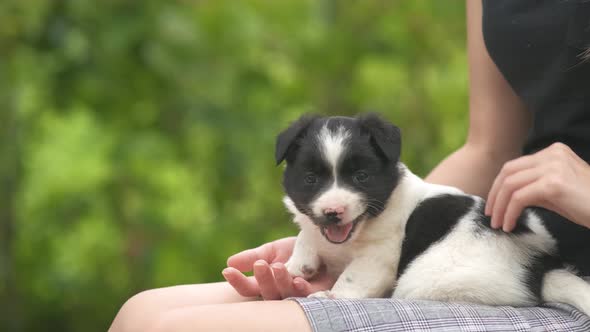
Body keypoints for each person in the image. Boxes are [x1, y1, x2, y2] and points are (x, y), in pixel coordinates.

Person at [109, 1, 590, 331]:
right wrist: (365, 237)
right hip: (511, 250)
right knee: (142, 314)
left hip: (555, 289)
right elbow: (489, 149)